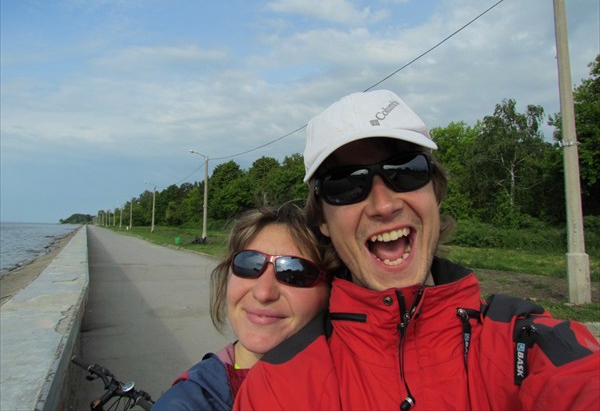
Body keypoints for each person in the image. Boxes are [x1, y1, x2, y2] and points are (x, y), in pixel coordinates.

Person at [234, 89, 600, 410]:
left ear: (435, 192)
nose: (383, 205)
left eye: (406, 171)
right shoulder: (279, 386)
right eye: (345, 185)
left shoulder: (523, 342)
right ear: (323, 221)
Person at [152, 202, 334, 410]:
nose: (263, 293)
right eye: (249, 264)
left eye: (294, 272)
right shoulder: (191, 401)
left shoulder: (351, 381)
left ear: (331, 289)